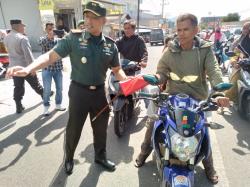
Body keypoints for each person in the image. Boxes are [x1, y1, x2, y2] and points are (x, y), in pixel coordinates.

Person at [6, 1, 127, 174]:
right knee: (73, 129)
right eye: (86, 16)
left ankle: (100, 156)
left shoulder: (110, 45)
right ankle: (69, 158)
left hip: (100, 93)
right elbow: (50, 56)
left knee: (100, 129)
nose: (88, 20)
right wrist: (28, 69)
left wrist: (126, 81)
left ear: (104, 21)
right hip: (79, 92)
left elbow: (117, 69)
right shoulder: (74, 38)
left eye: (94, 17)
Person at [135, 13, 230, 185]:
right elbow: (162, 71)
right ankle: (144, 152)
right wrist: (157, 78)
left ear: (196, 30)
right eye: (179, 29)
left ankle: (209, 167)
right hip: (172, 97)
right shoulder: (170, 50)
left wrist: (219, 93)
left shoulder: (205, 50)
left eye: (186, 29)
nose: (182, 33)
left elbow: (215, 72)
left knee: (203, 130)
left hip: (197, 99)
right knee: (154, 123)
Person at [4, 19, 44, 114]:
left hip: (14, 67)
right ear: (18, 26)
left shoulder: (6, 37)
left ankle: (18, 106)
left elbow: (8, 51)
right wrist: (33, 68)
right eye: (23, 26)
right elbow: (28, 55)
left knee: (18, 87)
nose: (24, 27)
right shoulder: (22, 38)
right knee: (35, 84)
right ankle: (45, 96)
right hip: (25, 67)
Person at [38, 22, 66, 116]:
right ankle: (46, 107)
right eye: (49, 29)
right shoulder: (43, 39)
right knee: (47, 89)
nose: (51, 31)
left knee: (59, 88)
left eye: (52, 29)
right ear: (45, 30)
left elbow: (65, 47)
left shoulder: (59, 40)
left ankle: (58, 104)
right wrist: (49, 37)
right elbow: (41, 44)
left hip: (58, 69)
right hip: (47, 69)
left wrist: (65, 35)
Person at [225, 22, 250, 104]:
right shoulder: (240, 41)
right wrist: (234, 62)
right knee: (235, 82)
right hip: (242, 66)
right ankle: (225, 102)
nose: (245, 30)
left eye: (247, 29)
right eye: (245, 28)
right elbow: (234, 52)